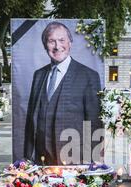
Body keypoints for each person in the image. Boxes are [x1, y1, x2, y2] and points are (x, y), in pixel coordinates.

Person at [23, 21, 103, 165]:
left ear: (70, 43)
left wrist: (92, 164)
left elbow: (94, 124)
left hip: (74, 160)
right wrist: (27, 158)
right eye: (51, 41)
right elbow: (31, 121)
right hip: (41, 160)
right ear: (45, 45)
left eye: (62, 40)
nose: (57, 46)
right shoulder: (39, 75)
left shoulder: (88, 75)